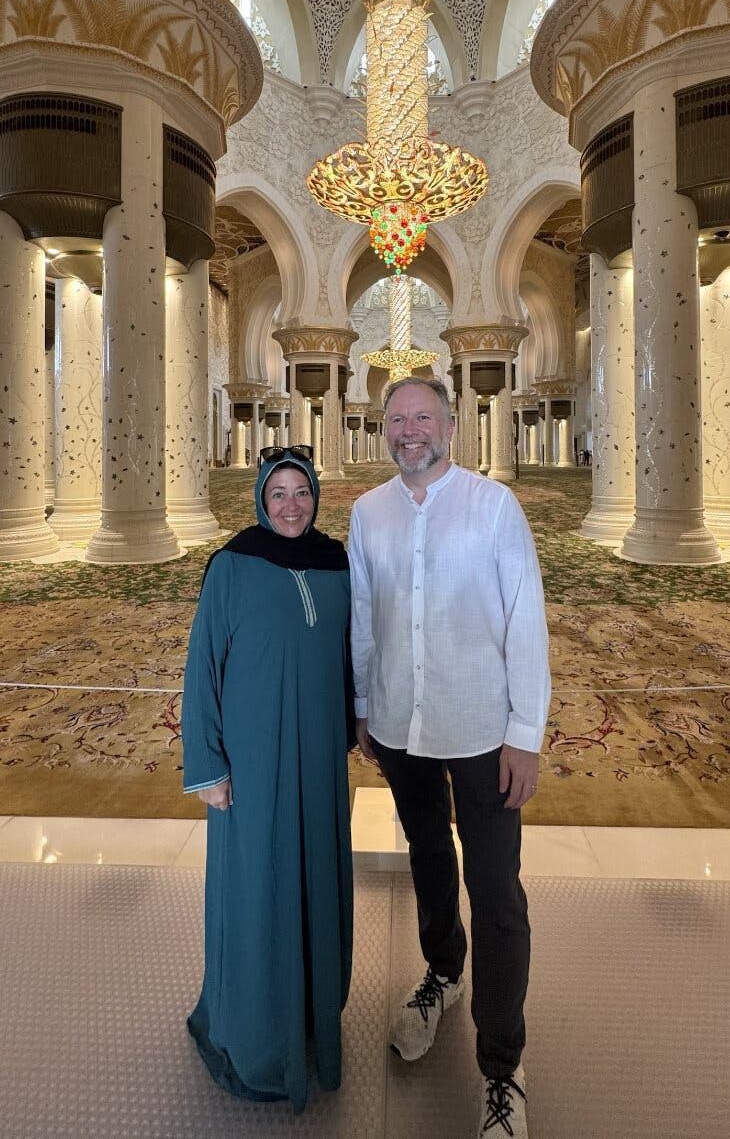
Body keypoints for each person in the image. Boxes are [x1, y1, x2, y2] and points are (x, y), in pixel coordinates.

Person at [348, 377, 550, 1139]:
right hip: (402, 725)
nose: (408, 431)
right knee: (429, 856)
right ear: (383, 430)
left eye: (421, 417)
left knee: (495, 888)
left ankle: (503, 1066)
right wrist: (366, 706)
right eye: (396, 420)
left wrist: (525, 731)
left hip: (482, 730)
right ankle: (441, 972)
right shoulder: (368, 514)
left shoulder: (493, 506)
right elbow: (365, 619)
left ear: (450, 424)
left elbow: (524, 617)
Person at [181, 445, 353, 1114]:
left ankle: (310, 1020)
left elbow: (347, 656)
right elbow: (203, 670)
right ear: (260, 498)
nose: (291, 505)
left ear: (316, 496)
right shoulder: (232, 565)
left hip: (318, 762)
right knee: (258, 890)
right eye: (278, 493)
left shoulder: (335, 563)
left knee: (315, 879)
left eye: (302, 493)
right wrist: (210, 767)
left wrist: (354, 726)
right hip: (249, 767)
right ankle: (252, 1039)